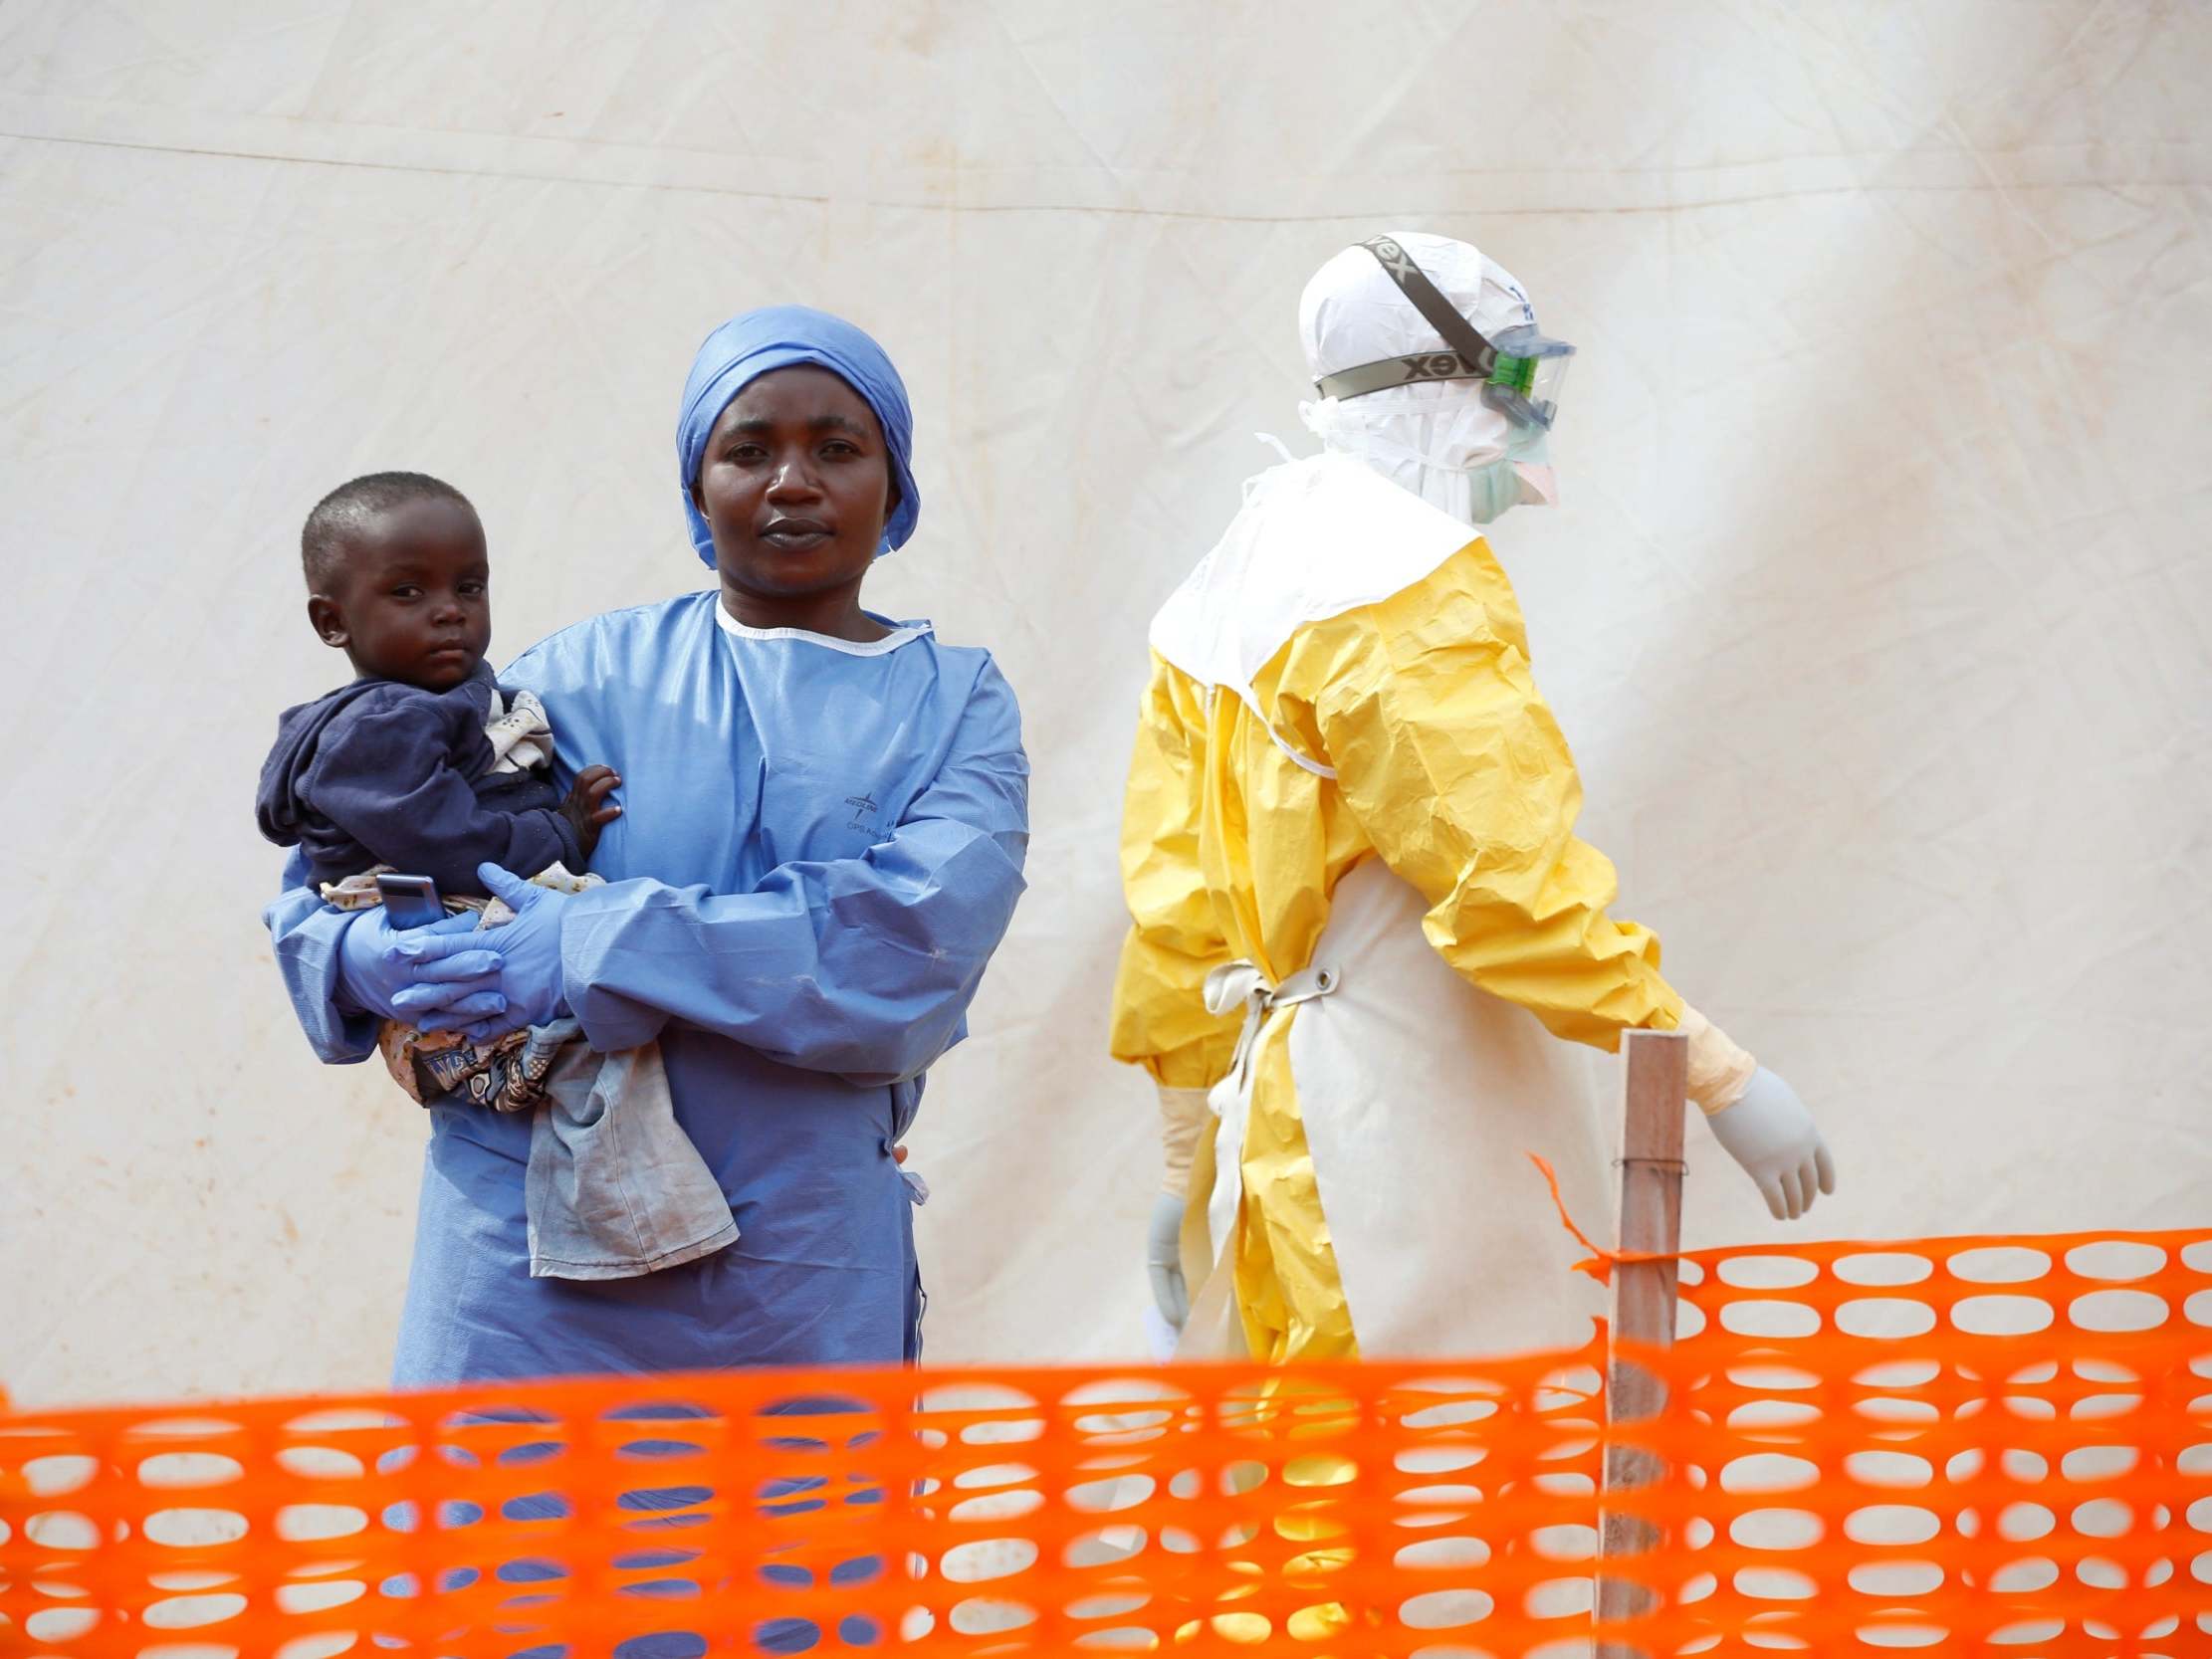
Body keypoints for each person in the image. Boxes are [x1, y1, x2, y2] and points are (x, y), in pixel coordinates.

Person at [264, 307, 1030, 1387]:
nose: (792, 481)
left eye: (837, 448)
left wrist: (599, 937)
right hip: (521, 1276)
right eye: (748, 449)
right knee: (504, 1558)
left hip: (796, 1268)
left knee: (792, 1557)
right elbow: (339, 848)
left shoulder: (955, 707)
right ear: (695, 489)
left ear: (894, 485)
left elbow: (907, 949)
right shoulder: (567, 677)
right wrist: (350, 959)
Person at [1111, 232, 1837, 1367]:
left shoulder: (1223, 579)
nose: (1527, 424)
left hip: (1282, 1117)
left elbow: (1176, 915)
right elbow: (1509, 894)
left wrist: (1180, 1158)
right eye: (1513, 382)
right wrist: (1716, 1072)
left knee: (1318, 1471)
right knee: (1432, 1485)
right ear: (1440, 389)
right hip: (1397, 1126)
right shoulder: (1403, 585)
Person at [256, 472, 739, 1284]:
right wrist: (563, 831)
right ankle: (640, 1228)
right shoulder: (381, 722)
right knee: (596, 1041)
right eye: (408, 591)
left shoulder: (441, 700)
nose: (449, 609)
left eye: (468, 586)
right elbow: (445, 842)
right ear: (331, 621)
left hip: (462, 899)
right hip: (443, 913)